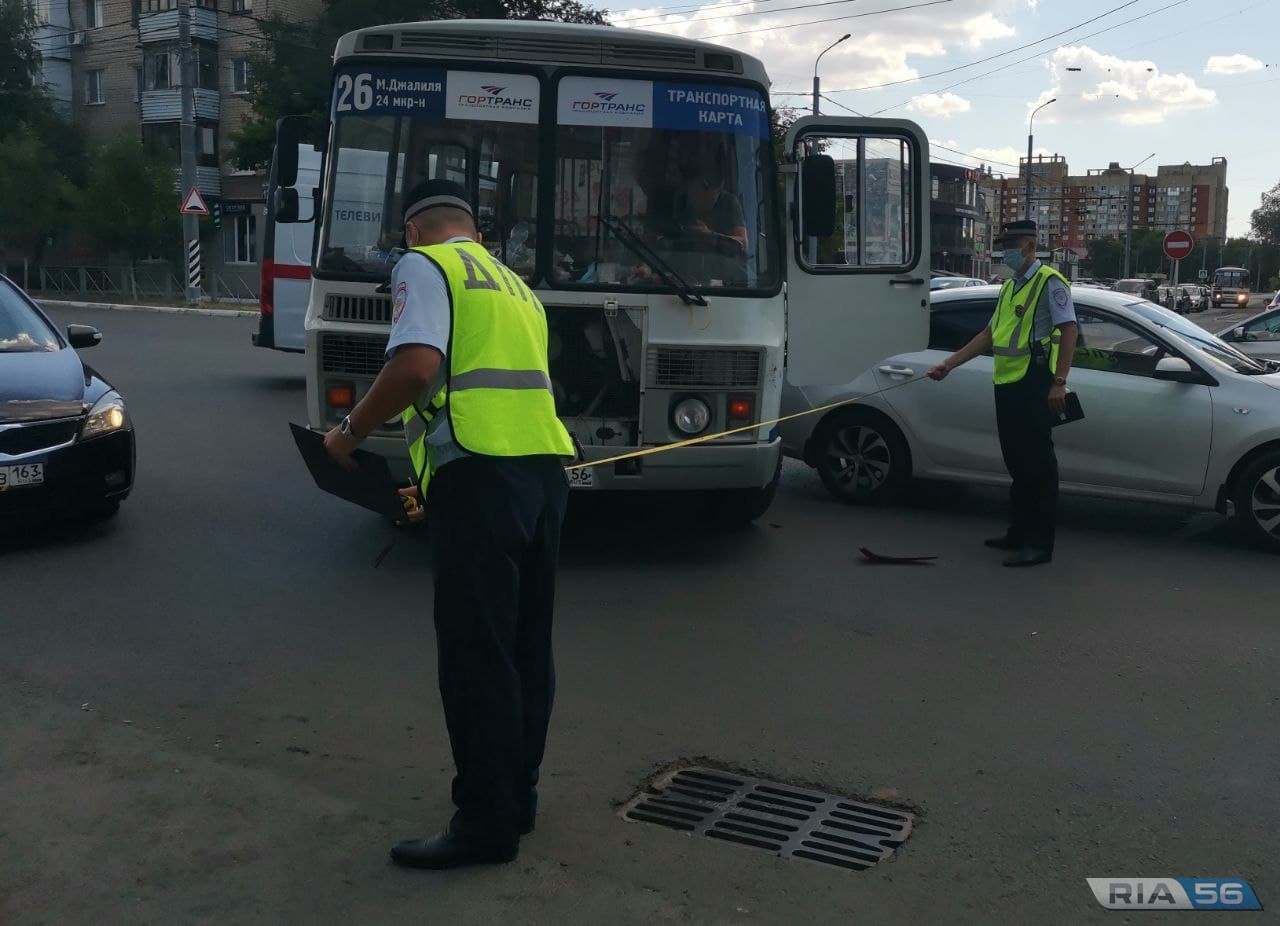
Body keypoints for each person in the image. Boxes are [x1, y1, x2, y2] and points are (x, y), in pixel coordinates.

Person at [323, 179, 575, 869]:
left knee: (475, 655)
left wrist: (347, 432)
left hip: (482, 478)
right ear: (475, 229)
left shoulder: (423, 267)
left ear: (412, 232)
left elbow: (416, 368)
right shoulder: (515, 286)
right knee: (526, 649)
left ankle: (484, 825)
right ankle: (517, 800)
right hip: (544, 477)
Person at [927, 220, 1079, 567]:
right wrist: (948, 365)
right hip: (1008, 383)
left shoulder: (1050, 283)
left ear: (1029, 245)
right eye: (1003, 244)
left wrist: (1059, 381)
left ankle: (1040, 545)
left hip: (1036, 383)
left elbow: (1068, 329)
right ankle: (1018, 533)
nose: (1005, 251)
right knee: (1017, 463)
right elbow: (989, 334)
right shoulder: (1010, 287)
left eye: (1011, 244)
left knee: (1039, 467)